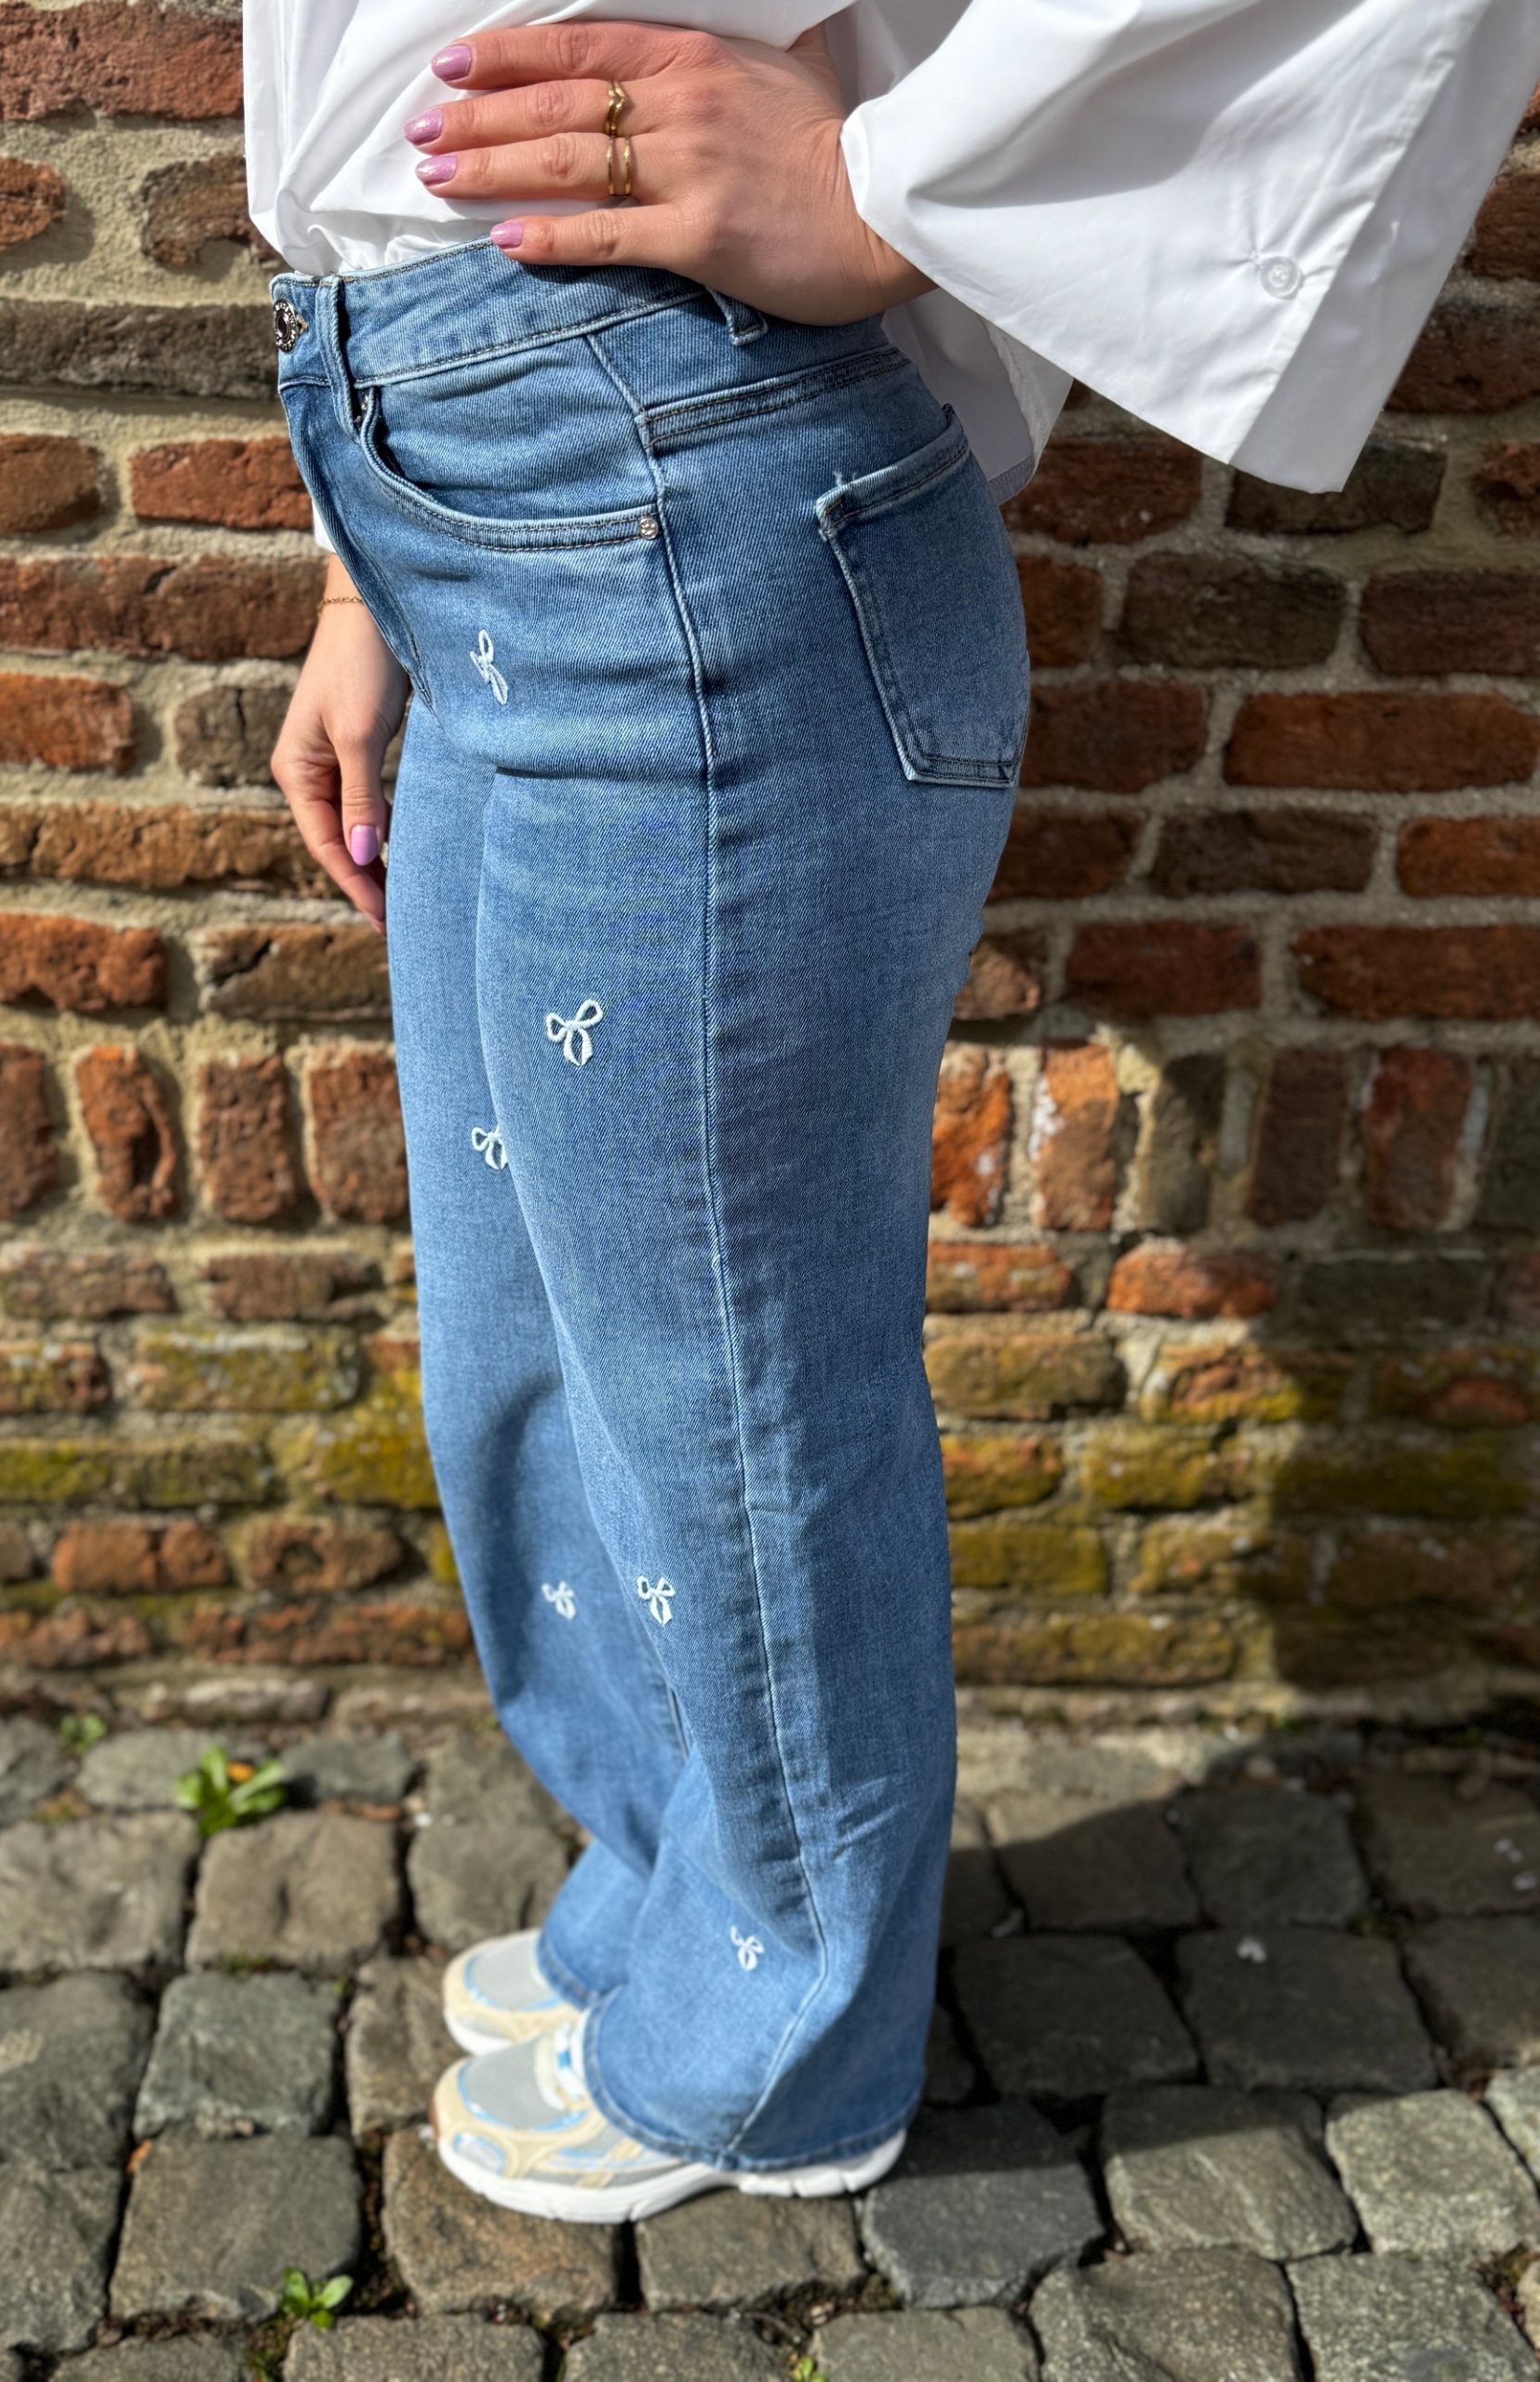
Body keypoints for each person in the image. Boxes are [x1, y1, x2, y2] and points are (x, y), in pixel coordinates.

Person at [245, 4, 1538, 2222]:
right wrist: (373, 571)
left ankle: (786, 2034)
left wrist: (893, 179)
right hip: (465, 477)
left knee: (725, 1368)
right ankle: (679, 1873)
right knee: (530, 1327)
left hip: (673, 476)